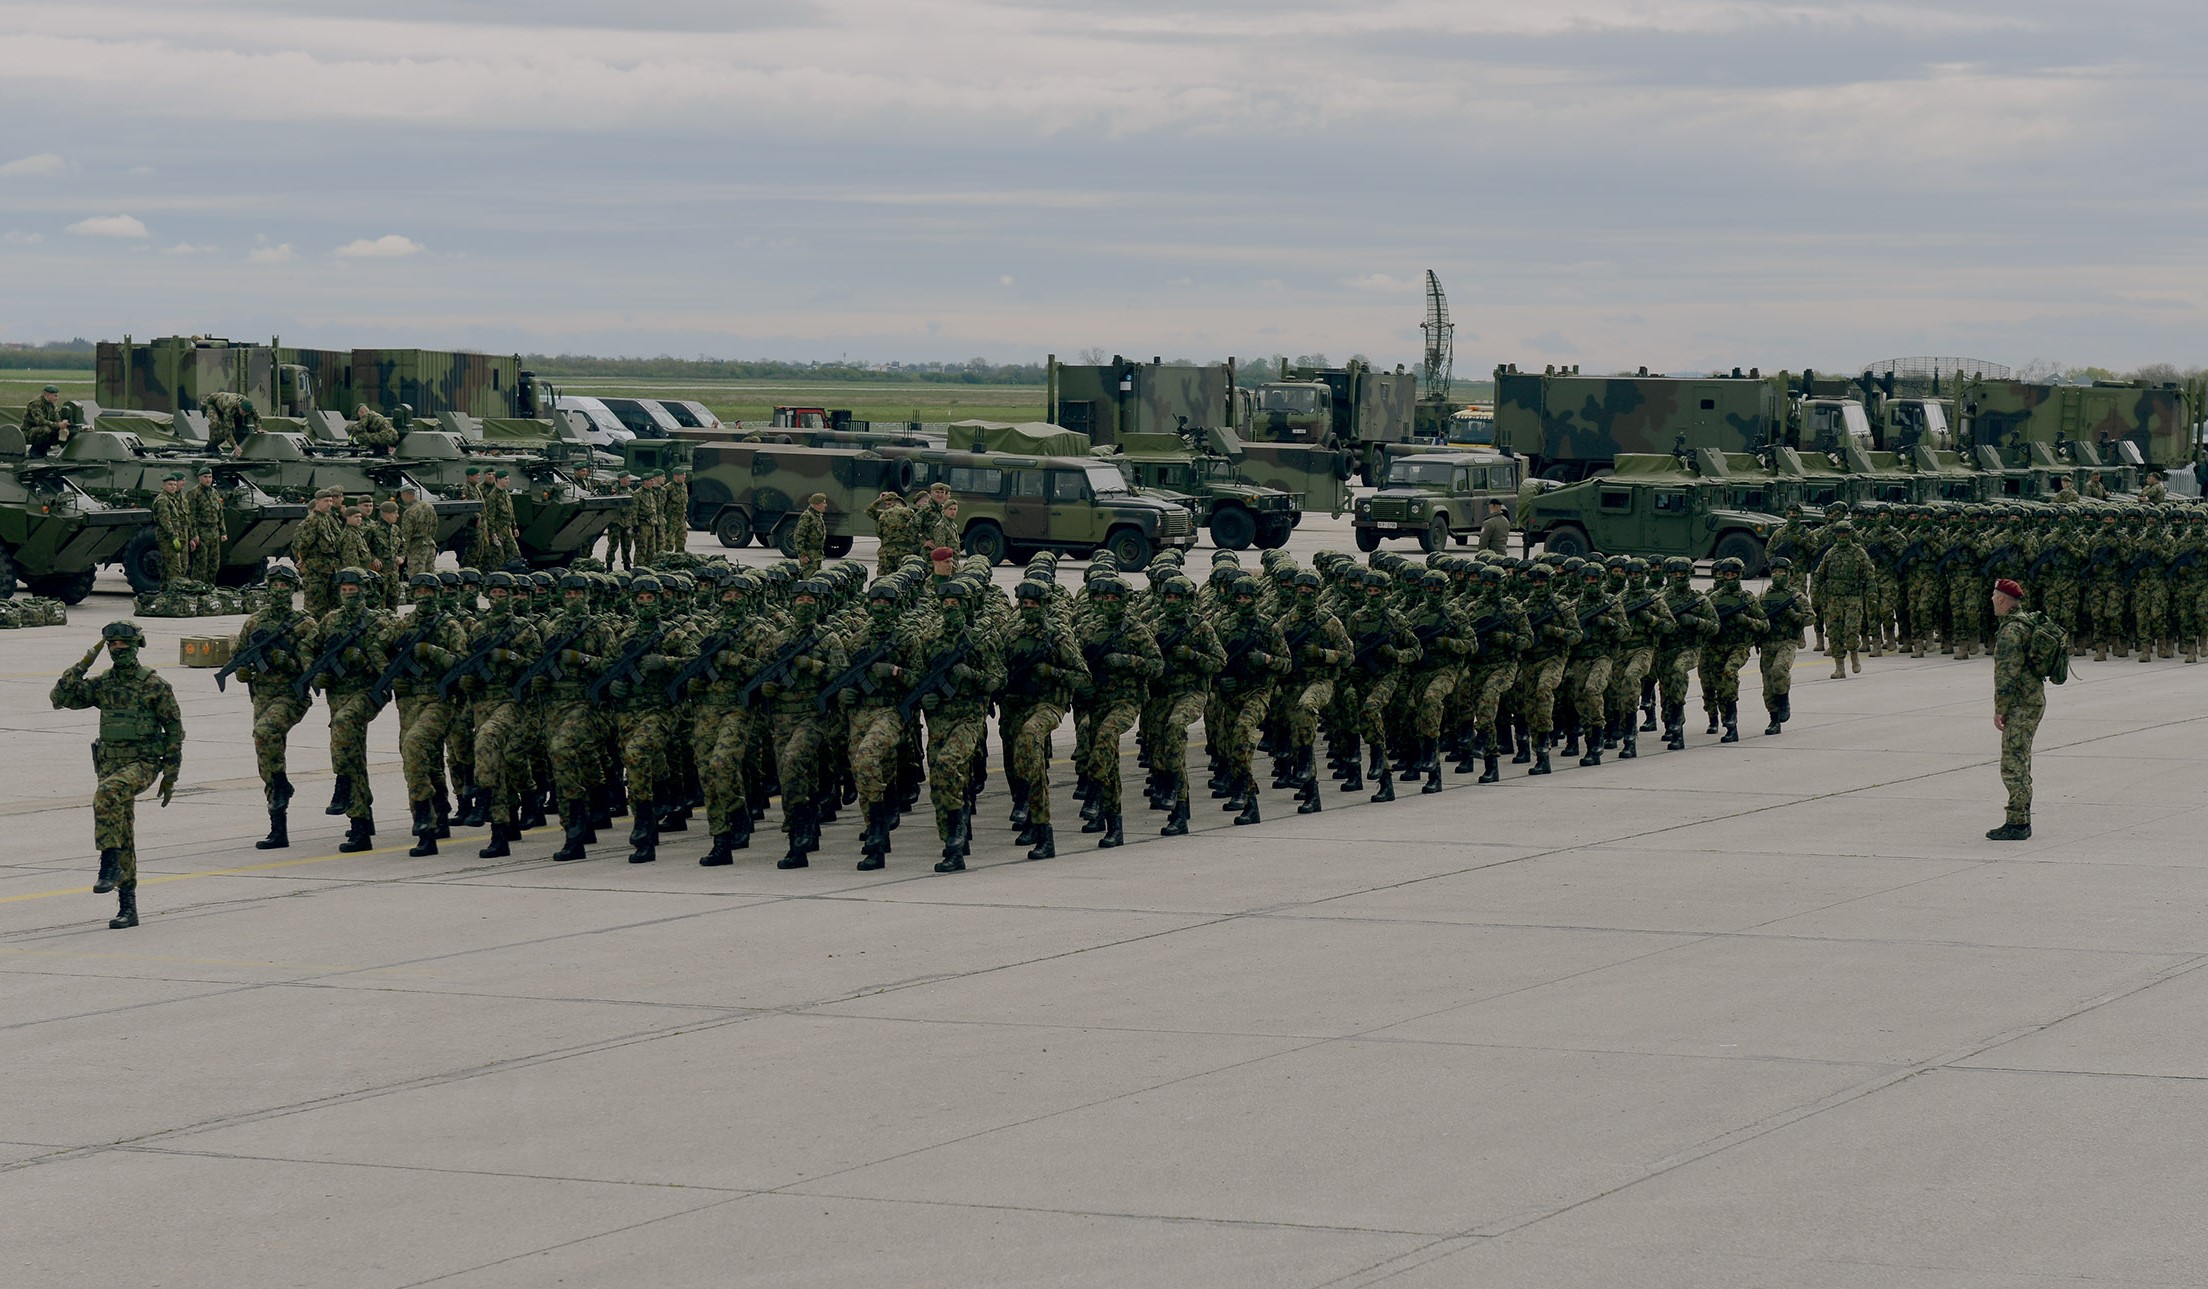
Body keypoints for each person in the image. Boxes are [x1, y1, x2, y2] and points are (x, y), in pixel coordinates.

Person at [50, 622, 184, 930]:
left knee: (106, 795)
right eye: (113, 646)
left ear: (138, 646)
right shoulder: (104, 683)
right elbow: (60, 696)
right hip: (110, 764)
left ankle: (108, 862)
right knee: (123, 829)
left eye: (125, 645)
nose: (119, 650)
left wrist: (170, 776)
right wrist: (87, 659)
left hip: (143, 763)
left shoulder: (154, 685)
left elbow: (174, 731)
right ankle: (128, 906)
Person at [230, 565, 319, 849]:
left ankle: (281, 786)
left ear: (293, 589)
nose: (279, 590)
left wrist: (286, 661)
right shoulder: (255, 623)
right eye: (275, 585)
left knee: (266, 731)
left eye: (285, 585)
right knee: (267, 753)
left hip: (292, 696)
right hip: (263, 697)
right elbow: (239, 657)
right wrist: (242, 671)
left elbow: (313, 669)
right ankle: (278, 826)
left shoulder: (304, 624)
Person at [1989, 578, 2043, 840]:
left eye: (1993, 596)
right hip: (2032, 699)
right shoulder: (2026, 621)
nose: (1991, 601)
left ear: (2002, 600)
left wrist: (2000, 708)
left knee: (2013, 763)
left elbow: (2006, 675)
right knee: (2022, 760)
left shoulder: (2011, 631)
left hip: (2021, 702)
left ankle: (2018, 823)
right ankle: (2022, 816)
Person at [151, 473, 194, 584]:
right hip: (169, 538)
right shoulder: (163, 500)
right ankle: (174, 596)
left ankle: (166, 592)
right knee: (174, 569)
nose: (173, 487)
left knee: (179, 567)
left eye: (175, 484)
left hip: (179, 537)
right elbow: (165, 521)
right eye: (170, 484)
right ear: (164, 486)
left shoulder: (175, 499)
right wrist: (173, 537)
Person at [188, 466, 225, 584]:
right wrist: (194, 535)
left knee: (214, 564)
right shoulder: (194, 493)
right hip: (201, 532)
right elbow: (190, 516)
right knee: (200, 564)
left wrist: (223, 532)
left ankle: (210, 588)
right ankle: (196, 588)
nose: (208, 480)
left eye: (210, 477)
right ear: (199, 478)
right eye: (205, 477)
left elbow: (220, 514)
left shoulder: (214, 493)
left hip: (214, 533)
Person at [22, 382, 72, 455]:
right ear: (47, 395)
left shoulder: (51, 406)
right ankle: (35, 451)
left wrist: (63, 428)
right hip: (29, 432)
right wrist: (58, 425)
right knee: (46, 430)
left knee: (63, 432)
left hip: (41, 430)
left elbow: (56, 419)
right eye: (55, 396)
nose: (57, 398)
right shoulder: (36, 404)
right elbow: (40, 421)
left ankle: (45, 449)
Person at [793, 492, 829, 574]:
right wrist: (802, 555)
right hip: (809, 557)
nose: (825, 505)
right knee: (808, 582)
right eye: (823, 503)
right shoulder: (807, 516)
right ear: (816, 504)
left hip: (816, 556)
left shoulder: (817, 515)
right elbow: (798, 536)